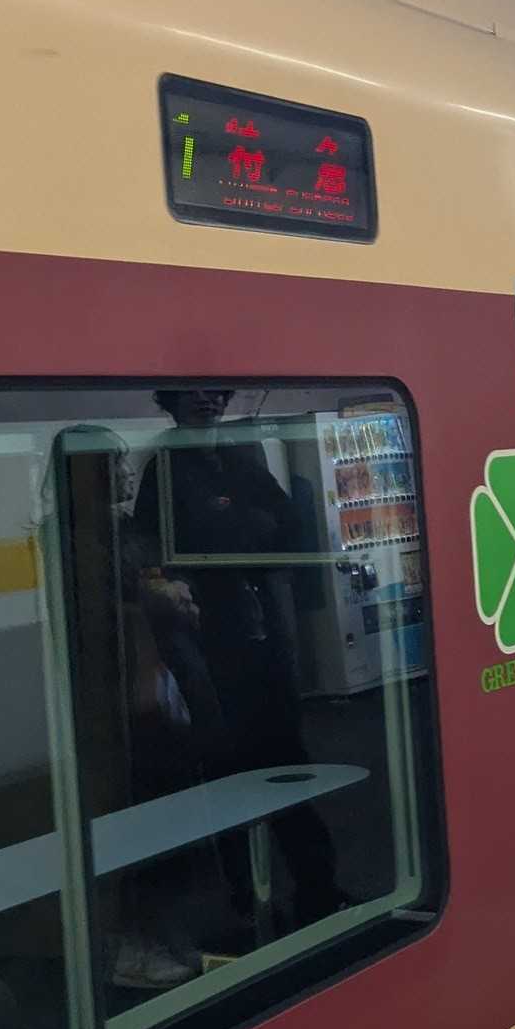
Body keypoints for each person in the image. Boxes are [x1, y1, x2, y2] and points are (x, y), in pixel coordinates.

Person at [129, 390, 344, 938]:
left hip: (265, 636)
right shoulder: (164, 471)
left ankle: (318, 889)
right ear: (171, 403)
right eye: (195, 393)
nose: (208, 400)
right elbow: (155, 563)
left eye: (216, 392)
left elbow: (291, 530)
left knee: (289, 765)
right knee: (229, 774)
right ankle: (246, 905)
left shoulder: (243, 457)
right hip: (209, 647)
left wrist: (245, 532)